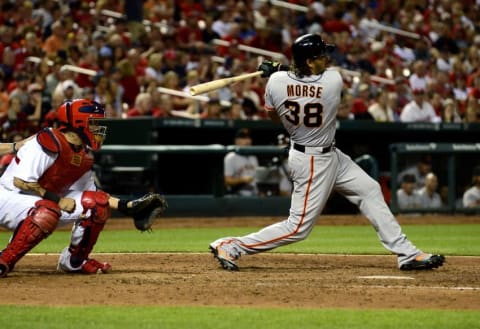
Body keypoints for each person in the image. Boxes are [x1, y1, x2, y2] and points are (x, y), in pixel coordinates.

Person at [209, 34, 445, 272]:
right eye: (321, 56)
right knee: (298, 227)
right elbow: (304, 77)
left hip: (322, 153)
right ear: (310, 62)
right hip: (313, 161)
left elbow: (274, 115)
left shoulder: (275, 83)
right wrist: (281, 69)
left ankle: (407, 254)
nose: (327, 59)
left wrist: (277, 72)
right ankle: (231, 245)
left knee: (370, 189)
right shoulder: (333, 81)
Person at [0, 99, 166, 277]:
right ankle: (5, 260)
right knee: (47, 211)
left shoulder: (83, 155)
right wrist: (58, 200)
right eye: (94, 123)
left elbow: (95, 195)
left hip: (39, 205)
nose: (98, 128)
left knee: (96, 206)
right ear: (79, 123)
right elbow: (21, 182)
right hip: (8, 198)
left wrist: (127, 206)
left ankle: (74, 261)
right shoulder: (49, 140)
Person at [223, 128, 259, 196]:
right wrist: (242, 180)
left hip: (254, 194)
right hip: (237, 194)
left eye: (248, 138)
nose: (247, 141)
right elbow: (226, 181)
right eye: (243, 138)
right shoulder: (231, 157)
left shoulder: (253, 157)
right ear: (236, 141)